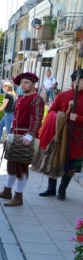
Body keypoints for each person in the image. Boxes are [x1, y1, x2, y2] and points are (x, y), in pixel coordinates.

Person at [0, 72, 44, 207]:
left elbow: (37, 118)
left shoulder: (36, 99)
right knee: (11, 165)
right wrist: (9, 137)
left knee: (21, 167)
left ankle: (18, 197)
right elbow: (15, 119)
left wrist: (30, 134)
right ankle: (7, 191)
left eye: (26, 82)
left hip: (26, 136)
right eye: (22, 82)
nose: (23, 85)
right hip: (15, 135)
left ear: (33, 84)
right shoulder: (21, 97)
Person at [39, 69, 83, 200]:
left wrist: (79, 118)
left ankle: (62, 190)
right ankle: (51, 188)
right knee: (53, 159)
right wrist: (61, 116)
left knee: (70, 164)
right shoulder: (63, 95)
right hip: (59, 134)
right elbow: (52, 111)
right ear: (75, 81)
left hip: (75, 136)